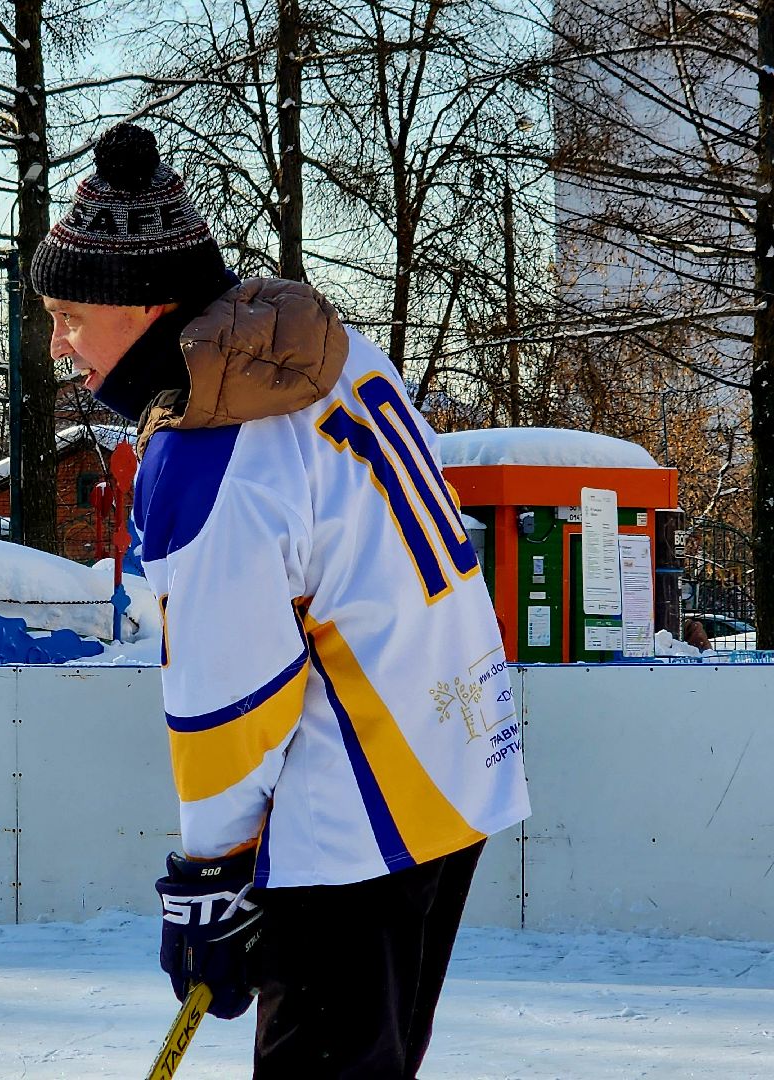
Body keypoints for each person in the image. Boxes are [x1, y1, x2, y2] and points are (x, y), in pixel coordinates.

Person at [30, 123, 531, 1078]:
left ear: (143, 306)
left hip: (358, 814)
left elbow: (232, 692)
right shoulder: (321, 352)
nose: (57, 344)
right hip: (454, 771)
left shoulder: (212, 442)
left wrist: (211, 873)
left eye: (70, 315)